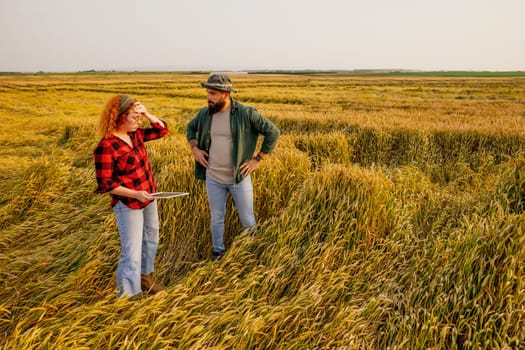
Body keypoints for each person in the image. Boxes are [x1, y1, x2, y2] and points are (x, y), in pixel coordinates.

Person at [186, 73, 280, 260]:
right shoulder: (205, 114)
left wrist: (258, 159)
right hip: (213, 177)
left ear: (225, 94)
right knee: (216, 217)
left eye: (212, 93)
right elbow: (190, 128)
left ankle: (253, 252)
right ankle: (218, 252)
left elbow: (273, 132)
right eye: (208, 93)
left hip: (239, 177)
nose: (208, 97)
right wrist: (195, 148)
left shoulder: (246, 113)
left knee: (247, 219)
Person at [94, 94, 169, 298]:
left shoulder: (135, 135)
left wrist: (146, 112)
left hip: (149, 196)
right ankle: (127, 295)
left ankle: (144, 278)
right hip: (128, 203)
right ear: (119, 117)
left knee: (151, 239)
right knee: (132, 250)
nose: (139, 120)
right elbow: (106, 184)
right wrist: (135, 193)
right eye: (134, 116)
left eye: (139, 116)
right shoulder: (107, 146)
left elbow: (162, 129)